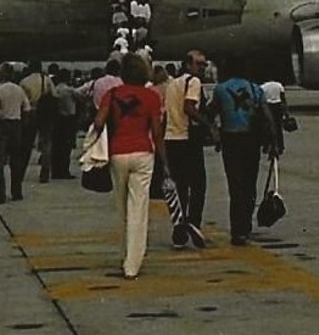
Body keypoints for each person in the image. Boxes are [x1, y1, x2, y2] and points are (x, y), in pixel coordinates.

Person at [91, 53, 166, 279]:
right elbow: (156, 132)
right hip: (143, 153)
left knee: (122, 207)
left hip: (118, 153)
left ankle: (123, 254)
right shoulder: (151, 97)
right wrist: (164, 160)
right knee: (139, 209)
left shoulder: (112, 94)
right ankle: (132, 264)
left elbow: (98, 122)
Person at [211, 65, 279, 246]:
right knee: (250, 184)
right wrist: (273, 142)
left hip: (231, 141)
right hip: (251, 141)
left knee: (235, 186)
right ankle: (246, 225)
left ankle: (237, 230)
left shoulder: (221, 89)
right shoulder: (255, 89)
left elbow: (212, 112)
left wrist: (214, 133)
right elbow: (267, 116)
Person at [161, 50, 211, 249]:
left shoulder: (172, 83)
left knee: (180, 186)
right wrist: (209, 126)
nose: (203, 68)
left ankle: (179, 229)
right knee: (199, 184)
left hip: (171, 138)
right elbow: (189, 107)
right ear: (188, 65)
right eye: (200, 64)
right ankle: (193, 222)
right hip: (187, 139)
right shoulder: (194, 82)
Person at [0, 63, 31, 204]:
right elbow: (27, 108)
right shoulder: (19, 90)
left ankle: (0, 193)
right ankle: (16, 191)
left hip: (2, 124)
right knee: (15, 160)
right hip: (16, 124)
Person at [48, 69, 78, 180]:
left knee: (57, 146)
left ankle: (55, 171)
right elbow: (81, 96)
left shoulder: (55, 90)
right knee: (66, 147)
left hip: (57, 119)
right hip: (68, 120)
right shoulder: (69, 90)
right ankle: (64, 171)